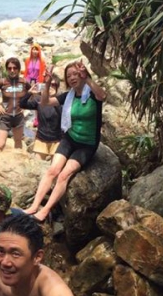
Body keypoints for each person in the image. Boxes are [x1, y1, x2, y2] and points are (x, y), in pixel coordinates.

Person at [23, 61, 107, 222]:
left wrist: (88, 78)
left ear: (82, 75)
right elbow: (46, 102)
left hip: (87, 144)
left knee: (63, 175)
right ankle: (34, 206)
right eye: (69, 76)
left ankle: (45, 210)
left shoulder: (92, 95)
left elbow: (102, 95)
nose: (73, 78)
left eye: (76, 74)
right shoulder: (68, 96)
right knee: (52, 170)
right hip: (70, 138)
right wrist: (47, 84)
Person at [19, 69, 62, 161]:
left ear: (57, 87)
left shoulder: (61, 100)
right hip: (41, 139)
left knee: (55, 169)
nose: (50, 87)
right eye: (48, 85)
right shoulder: (38, 100)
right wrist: (29, 93)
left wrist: (55, 98)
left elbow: (63, 115)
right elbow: (21, 104)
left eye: (53, 85)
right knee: (37, 166)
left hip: (57, 140)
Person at [0, 57, 28, 153]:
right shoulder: (3, 82)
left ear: (18, 69)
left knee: (18, 142)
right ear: (6, 70)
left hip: (18, 117)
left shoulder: (24, 82)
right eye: (9, 68)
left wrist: (26, 106)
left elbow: (32, 93)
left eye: (15, 68)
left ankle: (17, 165)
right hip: (5, 117)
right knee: (0, 144)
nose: (12, 70)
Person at [23, 43, 48, 129]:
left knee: (37, 100)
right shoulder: (27, 60)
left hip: (38, 82)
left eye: (36, 49)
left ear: (39, 51)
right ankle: (20, 115)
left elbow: (44, 72)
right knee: (25, 98)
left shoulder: (42, 61)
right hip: (29, 81)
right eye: (33, 49)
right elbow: (26, 71)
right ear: (31, 50)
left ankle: (37, 118)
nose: (35, 51)